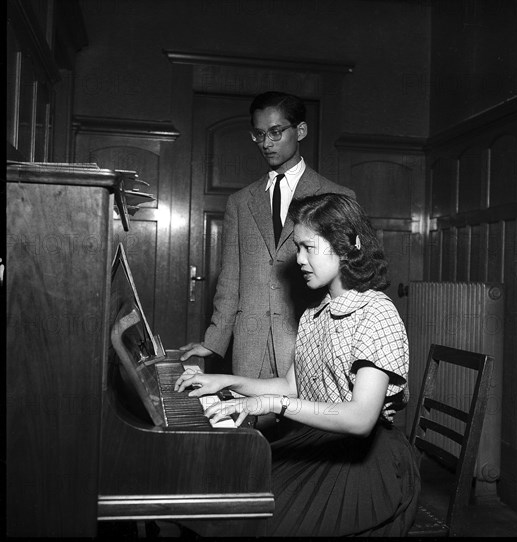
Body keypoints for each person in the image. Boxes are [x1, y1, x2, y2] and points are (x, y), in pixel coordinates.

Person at [175, 193, 420, 537]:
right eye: (297, 247)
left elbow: (361, 419)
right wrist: (224, 382)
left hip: (369, 464)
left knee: (247, 521)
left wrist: (273, 404)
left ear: (349, 245)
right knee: (218, 495)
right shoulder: (314, 314)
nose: (299, 259)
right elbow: (290, 386)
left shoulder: (376, 313)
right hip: (324, 445)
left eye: (308, 247)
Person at [179, 91, 355, 382]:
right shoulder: (240, 202)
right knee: (249, 424)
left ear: (300, 131)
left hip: (311, 345)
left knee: (307, 425)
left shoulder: (337, 197)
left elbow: (349, 278)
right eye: (259, 134)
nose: (266, 143)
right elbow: (230, 278)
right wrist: (214, 340)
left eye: (275, 132)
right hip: (250, 347)